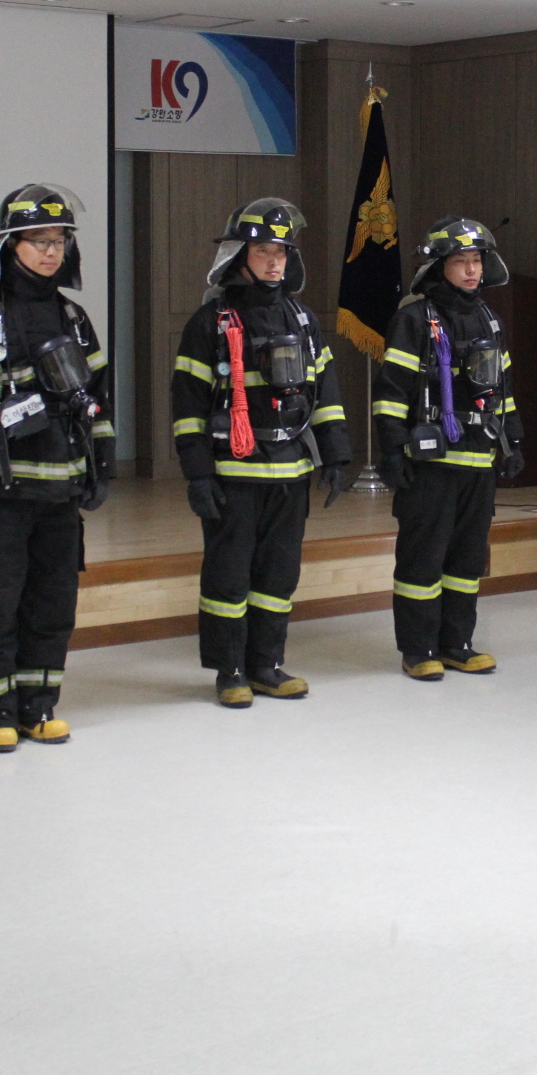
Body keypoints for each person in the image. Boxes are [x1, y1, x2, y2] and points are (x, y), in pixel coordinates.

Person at [0, 184, 114, 753]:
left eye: (59, 241)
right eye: (39, 240)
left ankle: (38, 706)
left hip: (60, 494)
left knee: (52, 605)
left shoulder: (73, 317)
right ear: (10, 245)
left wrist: (101, 464)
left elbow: (97, 396)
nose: (51, 251)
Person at [170, 198, 350, 707]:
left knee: (279, 575)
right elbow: (188, 407)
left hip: (290, 473)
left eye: (282, 252)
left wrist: (336, 456)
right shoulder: (210, 322)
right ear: (238, 255)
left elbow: (325, 393)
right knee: (229, 576)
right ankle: (229, 670)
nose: (275, 262)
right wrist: (198, 475)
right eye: (263, 251)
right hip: (234, 474)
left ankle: (266, 665)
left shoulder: (304, 320)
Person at [373, 216, 524, 681]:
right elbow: (391, 392)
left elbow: (504, 389)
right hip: (430, 466)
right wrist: (392, 451)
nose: (472, 270)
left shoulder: (490, 320)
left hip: (479, 461)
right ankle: (418, 649)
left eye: (476, 260)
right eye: (461, 261)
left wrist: (514, 440)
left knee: (466, 561)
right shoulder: (413, 319)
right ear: (439, 267)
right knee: (423, 559)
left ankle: (457, 643)